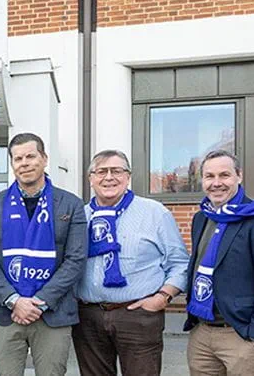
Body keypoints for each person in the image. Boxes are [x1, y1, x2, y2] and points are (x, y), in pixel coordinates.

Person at [0, 132, 87, 376]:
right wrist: (15, 300)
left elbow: (76, 259)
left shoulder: (71, 204)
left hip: (53, 313)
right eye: (17, 159)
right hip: (6, 312)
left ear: (44, 159)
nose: (24, 163)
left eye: (30, 156)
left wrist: (39, 301)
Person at [73, 149, 189, 376]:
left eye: (116, 171)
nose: (109, 177)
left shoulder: (154, 213)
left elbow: (179, 262)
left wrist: (162, 297)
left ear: (128, 176)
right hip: (88, 317)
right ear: (91, 179)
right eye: (101, 172)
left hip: (138, 315)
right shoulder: (79, 217)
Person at [184, 149, 254, 375]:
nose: (216, 183)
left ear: (239, 176)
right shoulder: (202, 217)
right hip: (202, 333)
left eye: (224, 175)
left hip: (241, 336)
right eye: (209, 176)